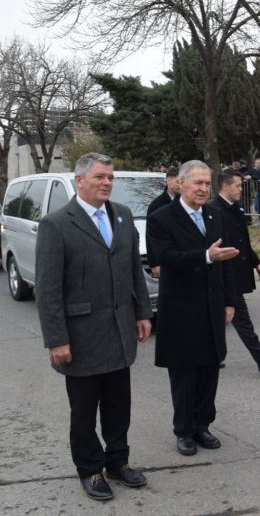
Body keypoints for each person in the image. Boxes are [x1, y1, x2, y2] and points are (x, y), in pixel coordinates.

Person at [35, 152, 153, 501]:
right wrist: (57, 338)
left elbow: (134, 269)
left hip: (119, 332)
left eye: (110, 178)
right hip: (81, 337)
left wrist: (142, 312)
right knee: (84, 412)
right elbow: (48, 288)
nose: (106, 183)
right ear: (80, 180)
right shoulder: (57, 224)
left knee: (119, 405)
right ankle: (90, 469)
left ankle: (118, 460)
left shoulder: (122, 215)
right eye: (99, 177)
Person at [146, 160, 240, 457]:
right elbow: (164, 260)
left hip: (212, 305)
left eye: (206, 184)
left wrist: (229, 301)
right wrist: (206, 256)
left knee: (210, 368)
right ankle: (184, 430)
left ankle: (203, 425)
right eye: (197, 183)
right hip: (181, 308)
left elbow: (225, 263)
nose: (203, 189)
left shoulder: (214, 215)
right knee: (185, 372)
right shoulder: (162, 218)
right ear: (181, 183)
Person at [209, 170, 260, 373]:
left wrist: (257, 263)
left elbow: (243, 242)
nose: (241, 189)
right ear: (225, 186)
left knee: (218, 318)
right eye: (238, 185)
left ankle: (212, 357)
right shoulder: (213, 210)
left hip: (237, 272)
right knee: (241, 318)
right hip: (224, 275)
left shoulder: (237, 208)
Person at [147, 167, 181, 277]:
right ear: (168, 180)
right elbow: (150, 236)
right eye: (177, 181)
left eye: (182, 182)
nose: (180, 185)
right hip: (165, 257)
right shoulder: (156, 205)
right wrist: (154, 263)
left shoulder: (184, 201)